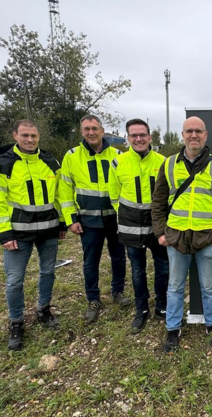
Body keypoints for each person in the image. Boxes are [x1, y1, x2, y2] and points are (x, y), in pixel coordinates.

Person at [151, 116, 212, 353]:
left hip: (208, 239)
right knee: (175, 287)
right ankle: (172, 329)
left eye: (198, 131)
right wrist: (160, 233)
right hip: (176, 238)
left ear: (206, 135)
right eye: (189, 131)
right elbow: (158, 201)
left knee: (209, 287)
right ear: (182, 134)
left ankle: (211, 326)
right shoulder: (169, 164)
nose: (194, 135)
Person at [0, 119, 66, 350]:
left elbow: (60, 195)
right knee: (14, 281)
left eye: (33, 135)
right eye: (25, 135)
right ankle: (16, 322)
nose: (29, 140)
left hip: (49, 230)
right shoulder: (2, 163)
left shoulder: (50, 161)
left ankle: (44, 310)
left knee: (48, 272)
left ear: (38, 136)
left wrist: (62, 222)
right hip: (17, 234)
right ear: (15, 135)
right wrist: (4, 233)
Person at [59, 115, 129, 324]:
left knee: (118, 258)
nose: (91, 132)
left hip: (115, 220)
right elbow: (64, 190)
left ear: (102, 130)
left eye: (94, 129)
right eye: (87, 129)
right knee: (91, 262)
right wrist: (71, 219)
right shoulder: (71, 157)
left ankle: (118, 292)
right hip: (88, 222)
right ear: (82, 132)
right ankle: (93, 299)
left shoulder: (118, 155)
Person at [109, 118, 168, 333]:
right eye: (133, 135)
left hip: (158, 226)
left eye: (142, 134)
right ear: (128, 138)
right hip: (130, 227)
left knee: (163, 268)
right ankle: (141, 309)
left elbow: (169, 195)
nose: (138, 138)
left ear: (150, 137)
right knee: (137, 271)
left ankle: (162, 306)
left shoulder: (163, 161)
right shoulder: (118, 163)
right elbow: (114, 197)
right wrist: (126, 216)